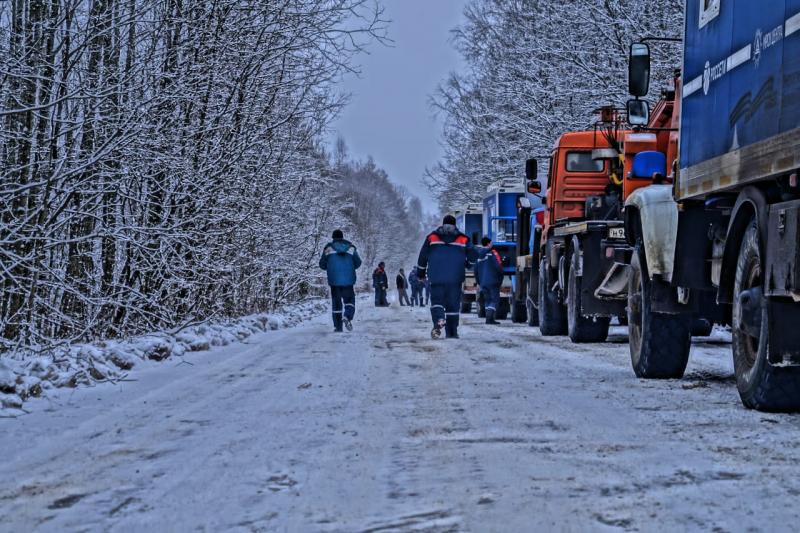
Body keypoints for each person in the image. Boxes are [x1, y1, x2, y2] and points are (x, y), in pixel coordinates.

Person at [417, 215, 477, 339]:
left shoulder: (432, 237)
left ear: (443, 224)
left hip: (436, 277)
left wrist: (421, 273)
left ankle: (439, 319)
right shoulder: (463, 238)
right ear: (455, 225)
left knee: (437, 302)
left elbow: (423, 256)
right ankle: (452, 332)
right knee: (453, 305)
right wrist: (468, 264)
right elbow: (473, 254)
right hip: (455, 278)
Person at [319, 229, 362, 332]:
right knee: (349, 301)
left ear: (333, 237)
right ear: (342, 237)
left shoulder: (328, 248)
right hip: (348, 281)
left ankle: (338, 328)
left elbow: (322, 265)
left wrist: (330, 266)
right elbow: (358, 263)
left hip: (334, 281)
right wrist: (349, 266)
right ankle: (347, 316)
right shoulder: (351, 248)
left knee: (336, 304)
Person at [475, 236, 504, 324]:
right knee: (494, 300)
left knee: (487, 300)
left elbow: (475, 270)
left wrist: (479, 282)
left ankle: (489, 319)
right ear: (488, 244)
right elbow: (498, 266)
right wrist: (501, 276)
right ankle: (489, 318)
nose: (492, 244)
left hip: (483, 282)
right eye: (491, 242)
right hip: (493, 281)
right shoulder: (492, 253)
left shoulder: (478, 255)